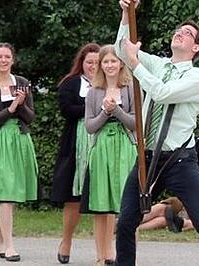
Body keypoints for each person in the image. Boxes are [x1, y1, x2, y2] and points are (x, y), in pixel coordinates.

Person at [113, 0, 199, 266]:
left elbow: (163, 93)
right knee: (127, 220)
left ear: (196, 47)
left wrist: (135, 64)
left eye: (187, 33)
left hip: (179, 159)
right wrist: (126, 14)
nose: (180, 33)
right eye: (178, 30)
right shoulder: (159, 64)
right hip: (148, 156)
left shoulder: (196, 76)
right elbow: (122, 48)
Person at [0, 43, 37, 262]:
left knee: (11, 194)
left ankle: (0, 241)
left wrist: (20, 106)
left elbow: (30, 117)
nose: (3, 60)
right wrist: (10, 109)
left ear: (13, 60)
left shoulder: (21, 83)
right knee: (6, 193)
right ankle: (10, 245)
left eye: (7, 57)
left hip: (20, 139)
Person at [81, 45, 136, 266]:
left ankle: (128, 256)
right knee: (101, 205)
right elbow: (89, 126)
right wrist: (105, 111)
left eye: (114, 61)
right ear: (100, 65)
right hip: (101, 148)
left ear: (121, 63)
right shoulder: (94, 92)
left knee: (128, 206)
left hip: (124, 147)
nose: (110, 65)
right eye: (106, 62)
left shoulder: (130, 88)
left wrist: (117, 110)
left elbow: (135, 123)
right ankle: (102, 256)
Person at [50, 43, 99, 264]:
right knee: (73, 199)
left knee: (105, 198)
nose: (93, 66)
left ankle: (105, 253)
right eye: (89, 62)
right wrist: (95, 110)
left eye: (97, 62)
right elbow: (66, 109)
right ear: (82, 63)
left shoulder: (110, 84)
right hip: (74, 145)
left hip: (102, 142)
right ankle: (66, 240)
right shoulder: (71, 84)